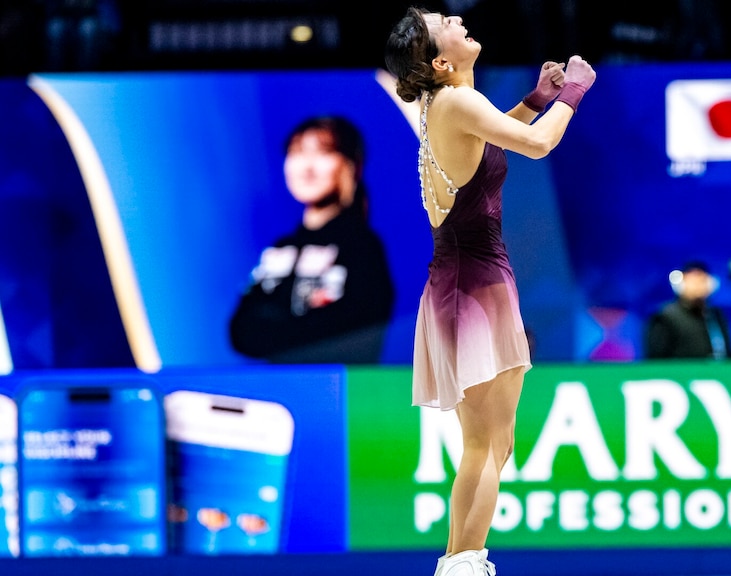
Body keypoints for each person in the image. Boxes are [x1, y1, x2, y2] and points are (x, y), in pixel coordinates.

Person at [385, 7, 595, 576]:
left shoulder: (448, 105)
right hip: (471, 285)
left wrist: (536, 97)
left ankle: (462, 560)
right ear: (441, 61)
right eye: (443, 22)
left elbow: (493, 142)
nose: (457, 15)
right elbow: (535, 146)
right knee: (484, 443)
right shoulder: (455, 101)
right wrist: (573, 92)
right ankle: (461, 564)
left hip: (468, 282)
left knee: (493, 443)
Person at [229, 116, 396, 364]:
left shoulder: (363, 247)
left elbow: (354, 331)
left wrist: (279, 323)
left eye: (323, 152)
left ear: (351, 165)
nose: (307, 166)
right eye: (296, 151)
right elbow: (241, 332)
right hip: (276, 390)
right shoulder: (279, 249)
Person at [645, 260, 731, 360]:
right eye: (692, 281)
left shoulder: (716, 315)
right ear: (680, 285)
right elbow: (657, 360)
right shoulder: (665, 316)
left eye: (701, 281)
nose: (697, 287)